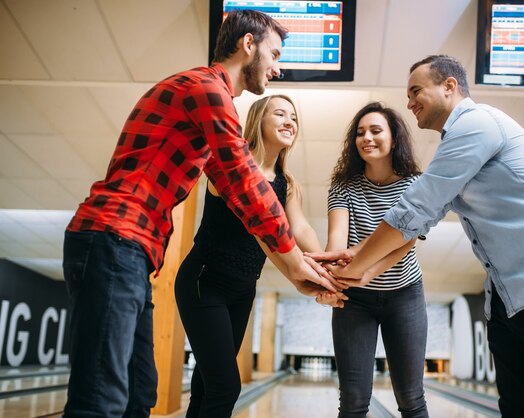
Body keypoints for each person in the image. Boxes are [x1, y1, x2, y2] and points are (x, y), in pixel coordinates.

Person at [61, 10, 337, 418]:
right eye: (275, 54)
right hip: (115, 237)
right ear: (248, 45)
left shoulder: (203, 100)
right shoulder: (206, 90)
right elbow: (244, 183)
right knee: (100, 401)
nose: (277, 68)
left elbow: (249, 199)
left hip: (131, 250)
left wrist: (313, 263)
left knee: (139, 396)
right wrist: (296, 266)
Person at [309, 55, 524, 418]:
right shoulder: (450, 148)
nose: (409, 103)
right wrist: (360, 271)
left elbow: (415, 211)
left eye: (416, 91)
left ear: (449, 86)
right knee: (520, 409)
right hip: (510, 298)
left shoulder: (477, 125)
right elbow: (420, 222)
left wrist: (352, 268)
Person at [175, 94, 344, 417]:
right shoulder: (233, 167)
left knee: (207, 386)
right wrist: (303, 270)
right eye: (279, 114)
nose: (289, 121)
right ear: (258, 120)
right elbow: (260, 226)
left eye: (293, 117)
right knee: (226, 386)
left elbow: (301, 229)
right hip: (205, 280)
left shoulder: (288, 183)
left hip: (242, 289)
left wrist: (327, 263)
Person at [316, 102, 430, 418]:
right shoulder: (344, 186)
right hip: (355, 301)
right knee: (353, 401)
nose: (367, 137)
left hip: (405, 294)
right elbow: (337, 242)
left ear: (394, 138)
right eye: (360, 132)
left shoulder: (414, 184)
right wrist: (330, 278)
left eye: (376, 130)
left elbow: (405, 243)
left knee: (411, 398)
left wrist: (366, 271)